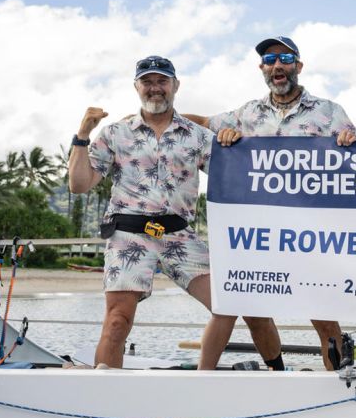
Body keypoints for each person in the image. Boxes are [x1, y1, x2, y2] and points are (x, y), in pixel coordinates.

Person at [67, 56, 278, 370]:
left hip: (180, 235)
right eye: (148, 82)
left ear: (175, 85)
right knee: (117, 321)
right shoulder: (115, 133)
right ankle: (104, 390)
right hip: (128, 236)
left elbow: (242, 178)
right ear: (137, 87)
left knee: (228, 302)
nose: (155, 89)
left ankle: (202, 379)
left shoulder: (197, 136)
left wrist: (232, 142)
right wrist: (83, 132)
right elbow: (79, 184)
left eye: (162, 81)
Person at [185, 36, 356, 371]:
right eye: (270, 59)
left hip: (310, 234)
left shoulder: (328, 112)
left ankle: (338, 385)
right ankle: (276, 373)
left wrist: (350, 142)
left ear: (298, 65)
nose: (278, 65)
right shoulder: (246, 114)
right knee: (252, 312)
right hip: (258, 233)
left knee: (324, 321)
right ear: (262, 68)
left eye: (285, 57)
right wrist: (159, 121)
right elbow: (200, 123)